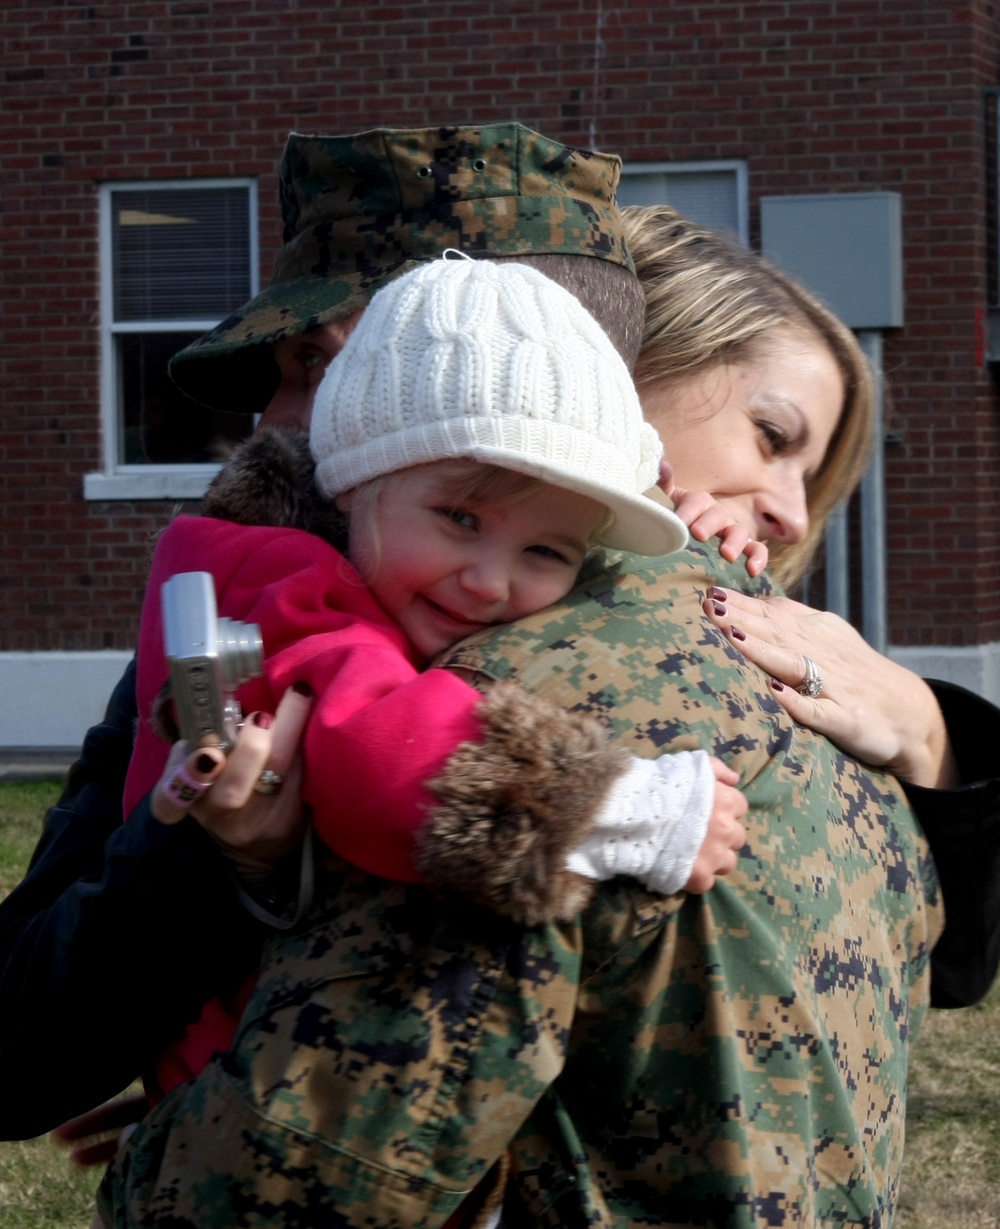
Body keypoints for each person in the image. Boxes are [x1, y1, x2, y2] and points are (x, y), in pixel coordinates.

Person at [97, 209, 953, 1229]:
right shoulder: (747, 678)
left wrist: (162, 1163)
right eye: (769, 439)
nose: (789, 509)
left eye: (810, 471)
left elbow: (313, 1158)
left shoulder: (560, 676)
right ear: (626, 368)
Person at [0, 121, 663, 1142]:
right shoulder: (225, 627)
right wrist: (213, 867)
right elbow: (17, 1050)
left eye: (322, 362)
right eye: (291, 369)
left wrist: (933, 739)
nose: (279, 415)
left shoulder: (662, 644)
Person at [126, 254, 750, 1100]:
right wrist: (621, 808)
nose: (491, 581)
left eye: (547, 550)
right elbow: (376, 753)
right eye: (460, 518)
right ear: (353, 483)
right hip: (263, 1078)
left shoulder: (351, 569)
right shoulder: (277, 584)